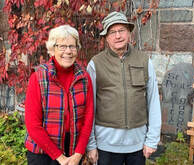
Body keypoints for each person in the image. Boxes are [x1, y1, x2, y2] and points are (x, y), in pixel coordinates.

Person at [86, 11, 161, 165]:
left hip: (138, 145)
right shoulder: (95, 64)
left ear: (129, 34)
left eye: (122, 31)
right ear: (106, 37)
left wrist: (152, 139)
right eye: (112, 32)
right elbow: (89, 107)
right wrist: (91, 144)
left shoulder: (143, 61)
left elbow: (153, 101)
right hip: (106, 146)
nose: (118, 36)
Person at [24, 25, 94, 165]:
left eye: (72, 46)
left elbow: (88, 118)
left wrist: (78, 154)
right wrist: (60, 158)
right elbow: (33, 124)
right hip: (42, 152)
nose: (68, 51)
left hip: (73, 150)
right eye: (62, 46)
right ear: (52, 49)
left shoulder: (84, 77)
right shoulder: (39, 77)